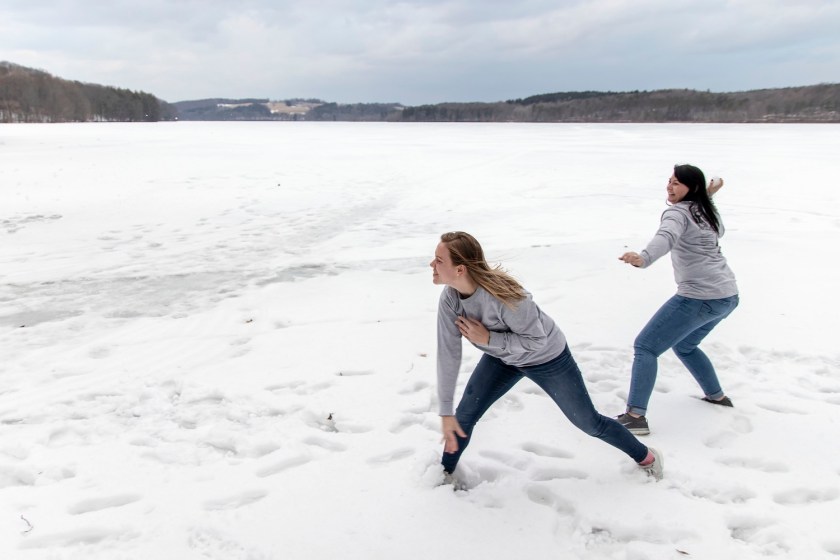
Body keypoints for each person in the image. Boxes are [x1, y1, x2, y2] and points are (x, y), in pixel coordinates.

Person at [431, 231, 663, 485]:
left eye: (439, 260)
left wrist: (490, 340)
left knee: (588, 422)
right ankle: (444, 474)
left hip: (547, 358)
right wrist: (445, 411)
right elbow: (448, 354)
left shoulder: (506, 297)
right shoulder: (451, 298)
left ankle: (647, 457)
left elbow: (537, 340)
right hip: (503, 359)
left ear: (460, 269)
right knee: (463, 416)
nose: (432, 265)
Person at [617, 164, 739, 436]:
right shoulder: (706, 211)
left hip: (699, 297)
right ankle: (717, 396)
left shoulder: (677, 213)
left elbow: (667, 235)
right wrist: (708, 192)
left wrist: (644, 257)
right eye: (669, 182)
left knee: (646, 346)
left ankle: (635, 416)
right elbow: (696, 205)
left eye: (676, 183)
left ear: (691, 188)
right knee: (685, 346)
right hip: (727, 296)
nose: (669, 187)